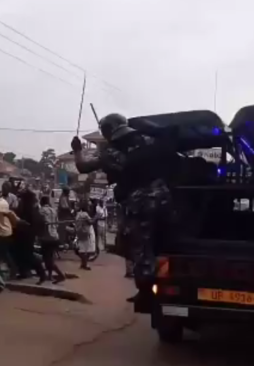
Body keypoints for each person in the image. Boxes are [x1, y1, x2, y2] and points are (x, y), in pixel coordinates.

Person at [72, 113, 177, 303]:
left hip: (140, 203)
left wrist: (77, 149)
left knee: (138, 247)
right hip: (165, 198)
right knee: (164, 240)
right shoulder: (149, 140)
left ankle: (146, 291)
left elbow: (83, 167)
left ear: (108, 130)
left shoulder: (109, 151)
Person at [14, 190, 48, 283]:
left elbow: (27, 220)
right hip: (25, 234)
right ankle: (24, 272)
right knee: (21, 254)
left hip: (26, 235)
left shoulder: (27, 208)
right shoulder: (31, 208)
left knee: (28, 255)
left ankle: (41, 273)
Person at [0, 189, 19, 280]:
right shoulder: (3, 201)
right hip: (6, 230)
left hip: (1, 232)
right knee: (3, 253)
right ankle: (5, 271)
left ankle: (1, 272)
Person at [39, 196, 67, 282]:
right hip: (55, 236)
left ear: (41, 202)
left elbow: (41, 224)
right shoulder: (53, 210)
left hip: (46, 237)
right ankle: (50, 276)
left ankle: (60, 275)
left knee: (47, 259)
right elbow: (57, 224)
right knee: (50, 257)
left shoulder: (41, 211)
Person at [74, 200, 96, 271]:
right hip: (85, 233)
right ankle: (85, 264)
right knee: (87, 250)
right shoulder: (85, 214)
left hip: (79, 233)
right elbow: (90, 222)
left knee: (82, 249)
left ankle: (83, 264)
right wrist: (96, 218)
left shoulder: (78, 214)